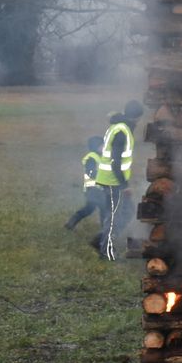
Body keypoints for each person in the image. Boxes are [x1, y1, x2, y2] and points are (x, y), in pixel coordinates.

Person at [95, 99, 144, 261]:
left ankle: (100, 240)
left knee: (128, 211)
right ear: (137, 117)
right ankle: (106, 251)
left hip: (111, 179)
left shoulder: (118, 126)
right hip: (113, 181)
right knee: (113, 217)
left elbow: (105, 149)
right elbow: (116, 161)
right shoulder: (123, 131)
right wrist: (124, 185)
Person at [64, 136, 105, 231]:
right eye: (102, 145)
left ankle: (70, 223)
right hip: (94, 189)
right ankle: (105, 230)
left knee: (89, 209)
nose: (104, 147)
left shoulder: (101, 157)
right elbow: (90, 172)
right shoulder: (91, 158)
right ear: (96, 146)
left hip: (99, 189)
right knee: (103, 209)